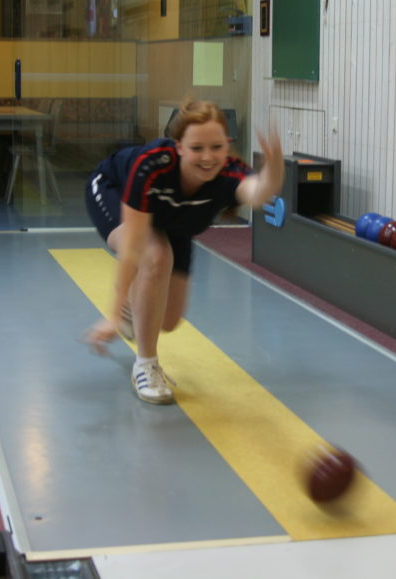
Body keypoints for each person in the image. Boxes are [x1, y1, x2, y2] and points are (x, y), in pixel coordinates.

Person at [83, 99, 284, 404]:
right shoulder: (152, 166)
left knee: (168, 321)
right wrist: (111, 314)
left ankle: (133, 308)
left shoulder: (228, 173)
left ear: (227, 145)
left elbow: (258, 193)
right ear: (178, 147)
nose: (207, 157)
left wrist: (274, 169)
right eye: (197, 148)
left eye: (216, 147)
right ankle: (146, 366)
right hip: (113, 190)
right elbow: (135, 246)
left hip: (172, 219)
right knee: (156, 256)